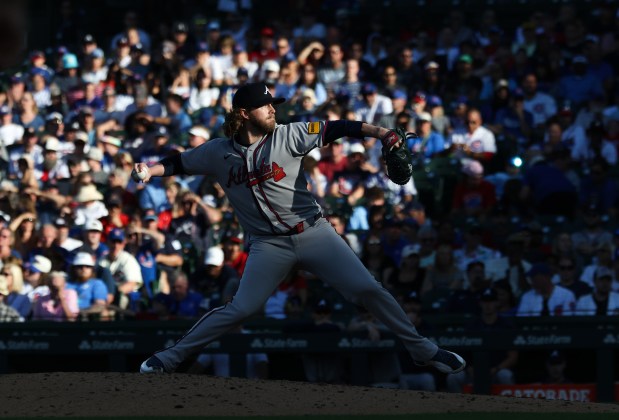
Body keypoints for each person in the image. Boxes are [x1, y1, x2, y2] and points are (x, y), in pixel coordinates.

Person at [136, 82, 465, 375]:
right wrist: (150, 171)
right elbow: (179, 161)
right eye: (265, 105)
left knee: (369, 289)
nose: (272, 109)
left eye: (272, 104)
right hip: (268, 245)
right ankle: (171, 357)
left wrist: (381, 133)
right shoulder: (217, 152)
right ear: (244, 113)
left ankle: (423, 350)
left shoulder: (288, 134)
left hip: (313, 232)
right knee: (241, 308)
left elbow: (338, 127)